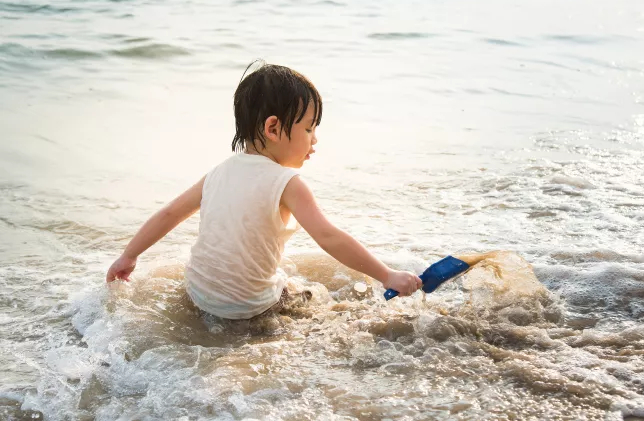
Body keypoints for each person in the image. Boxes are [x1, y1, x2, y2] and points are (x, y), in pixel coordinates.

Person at [106, 62, 422, 319]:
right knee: (313, 305)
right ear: (273, 128)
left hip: (199, 295)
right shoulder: (287, 183)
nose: (314, 139)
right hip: (248, 309)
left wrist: (128, 256)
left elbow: (169, 213)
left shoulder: (218, 172)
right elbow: (329, 237)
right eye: (309, 128)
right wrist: (386, 275)